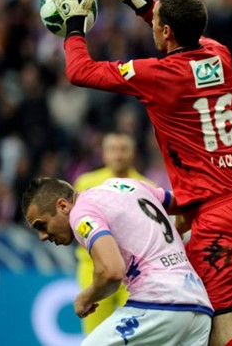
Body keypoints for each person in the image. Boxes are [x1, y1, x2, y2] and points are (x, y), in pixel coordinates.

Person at [47, 0, 232, 346]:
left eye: (154, 23)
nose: (151, 27)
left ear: (166, 32)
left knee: (217, 332)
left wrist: (73, 26)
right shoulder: (219, 55)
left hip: (220, 211)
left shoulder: (159, 75)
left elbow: (79, 71)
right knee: (219, 331)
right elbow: (188, 32)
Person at [21, 177, 213, 346]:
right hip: (199, 308)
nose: (42, 236)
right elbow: (188, 202)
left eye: (41, 225)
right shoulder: (126, 185)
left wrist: (85, 298)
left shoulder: (80, 214)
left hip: (160, 302)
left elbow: (111, 272)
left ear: (63, 206)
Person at [74, 132, 151, 335]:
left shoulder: (147, 186)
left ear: (133, 153)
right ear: (104, 154)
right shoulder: (85, 183)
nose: (118, 155)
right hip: (93, 269)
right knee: (95, 334)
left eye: (123, 149)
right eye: (113, 149)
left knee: (139, 334)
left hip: (134, 271)